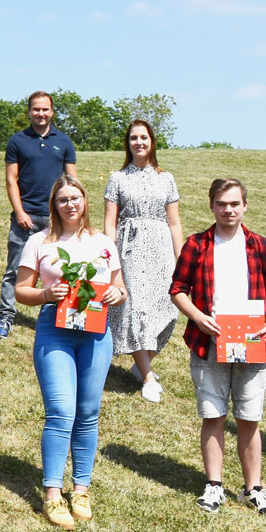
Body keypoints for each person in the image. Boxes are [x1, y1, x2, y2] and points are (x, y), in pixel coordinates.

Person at [169, 178, 266, 516]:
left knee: (249, 418)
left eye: (234, 203)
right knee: (213, 415)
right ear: (212, 206)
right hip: (208, 342)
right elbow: (177, 289)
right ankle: (214, 485)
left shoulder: (261, 246)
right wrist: (198, 317)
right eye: (222, 204)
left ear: (245, 206)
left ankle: (254, 489)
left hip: (252, 344)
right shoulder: (196, 245)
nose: (228, 210)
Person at [15, 176, 127, 528]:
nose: (70, 204)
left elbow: (120, 286)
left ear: (85, 201)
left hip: (95, 332)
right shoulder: (39, 242)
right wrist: (47, 295)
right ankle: (52, 494)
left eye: (75, 198)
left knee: (88, 410)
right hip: (55, 331)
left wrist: (116, 294)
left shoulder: (103, 242)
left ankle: (81, 488)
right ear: (55, 204)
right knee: (61, 410)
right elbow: (20, 290)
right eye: (63, 199)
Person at [103, 118, 184, 399]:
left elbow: (174, 223)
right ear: (128, 143)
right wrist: (110, 257)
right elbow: (109, 224)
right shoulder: (117, 178)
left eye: (144, 137)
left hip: (161, 250)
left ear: (152, 142)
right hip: (131, 250)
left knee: (167, 308)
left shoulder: (166, 178)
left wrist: (181, 259)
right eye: (134, 138)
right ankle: (148, 378)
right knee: (136, 309)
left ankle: (142, 363)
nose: (139, 142)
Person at [0, 92, 77, 339]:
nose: (40, 113)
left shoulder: (64, 142)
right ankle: (5, 316)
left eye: (45, 109)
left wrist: (69, 213)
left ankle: (60, 315)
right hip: (26, 216)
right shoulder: (17, 141)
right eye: (36, 109)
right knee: (15, 269)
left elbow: (72, 181)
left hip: (56, 218)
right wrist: (20, 211)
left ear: (52, 112)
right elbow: (11, 179)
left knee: (62, 269)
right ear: (29, 111)